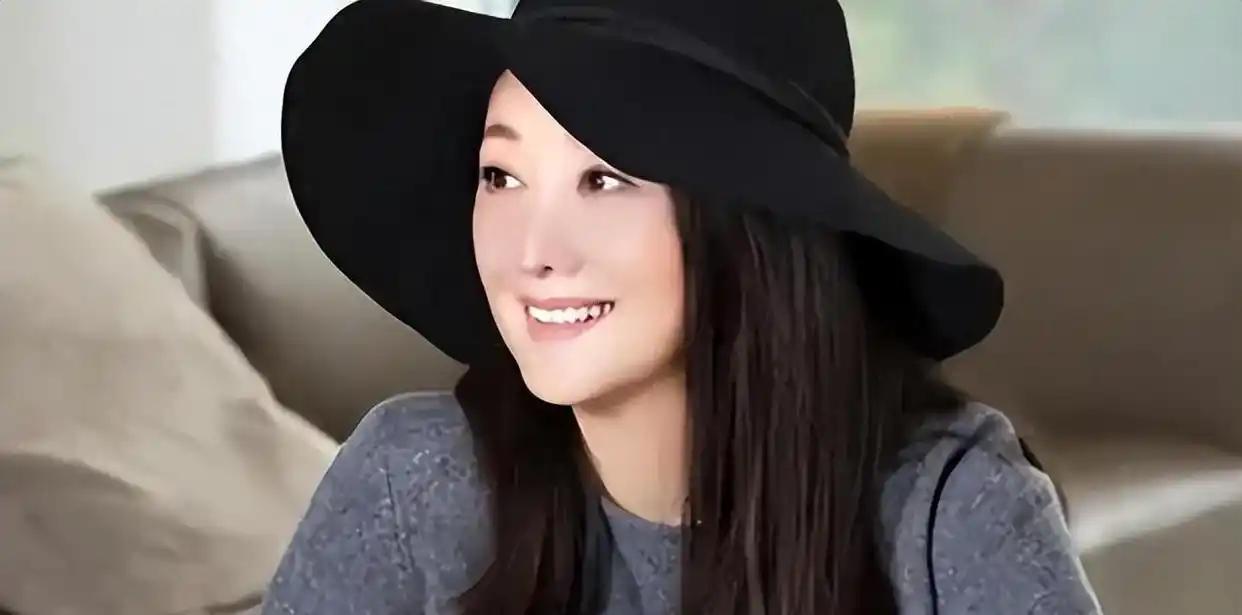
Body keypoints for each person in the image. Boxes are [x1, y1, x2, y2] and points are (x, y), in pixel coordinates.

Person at [263, 0, 1101, 613]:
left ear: (748, 222)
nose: (533, 251)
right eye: (501, 175)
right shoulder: (415, 482)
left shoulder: (946, 511)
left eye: (604, 179)